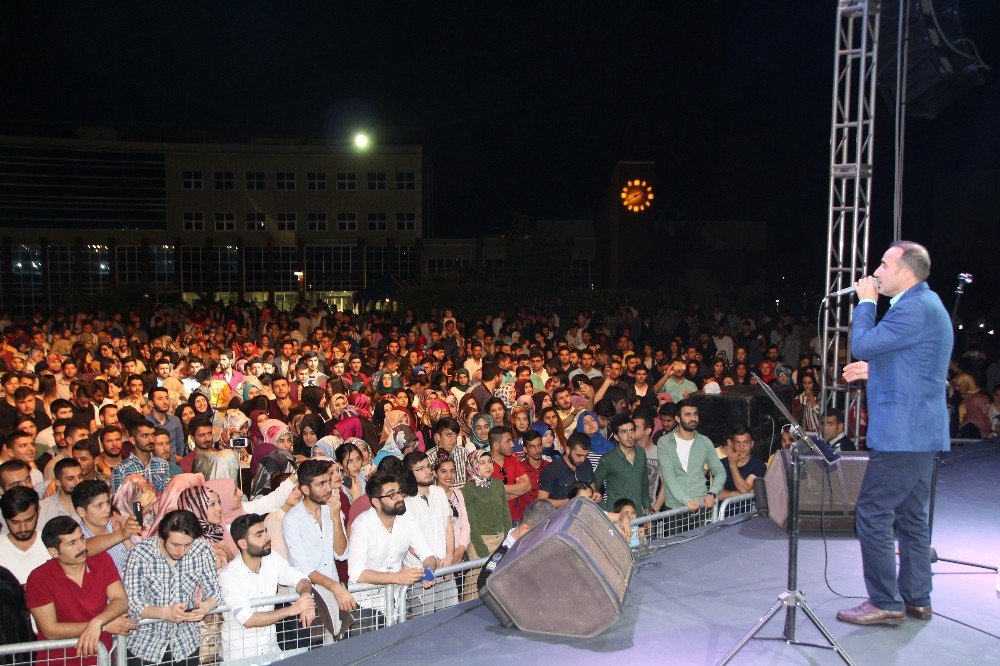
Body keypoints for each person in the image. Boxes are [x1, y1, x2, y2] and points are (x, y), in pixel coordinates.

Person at [837, 241, 952, 627]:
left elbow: (864, 343)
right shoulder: (925, 305)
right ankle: (918, 597)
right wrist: (874, 371)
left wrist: (867, 302)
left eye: (884, 265)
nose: (876, 273)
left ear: (906, 272)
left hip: (904, 434)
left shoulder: (913, 307)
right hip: (920, 432)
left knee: (872, 512)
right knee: (911, 517)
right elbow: (916, 365)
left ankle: (886, 601)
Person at [26, 516, 136, 664]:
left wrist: (97, 623)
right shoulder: (39, 577)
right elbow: (50, 630)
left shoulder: (102, 560)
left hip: (100, 659)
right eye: (72, 543)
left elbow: (121, 600)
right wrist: (104, 626)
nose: (82, 547)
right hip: (59, 661)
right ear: (54, 552)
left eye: (82, 538)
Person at [122, 509, 222, 665]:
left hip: (186, 645)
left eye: (187, 544)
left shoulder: (202, 550)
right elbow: (133, 602)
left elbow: (214, 590)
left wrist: (205, 607)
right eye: (175, 544)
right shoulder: (139, 554)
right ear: (162, 537)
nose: (181, 551)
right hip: (145, 645)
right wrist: (165, 612)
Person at [347, 469, 441, 624]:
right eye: (392, 495)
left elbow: (427, 554)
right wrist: (397, 578)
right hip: (365, 607)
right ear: (376, 502)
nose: (399, 498)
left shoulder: (408, 518)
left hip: (396, 603)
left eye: (399, 492)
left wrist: (429, 571)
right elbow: (357, 573)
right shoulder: (362, 525)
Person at [219, 513, 317, 661]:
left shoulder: (271, 559)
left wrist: (305, 597)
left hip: (271, 650)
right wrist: (292, 610)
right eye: (259, 535)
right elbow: (248, 619)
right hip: (241, 656)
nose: (267, 537)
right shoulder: (229, 576)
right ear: (242, 544)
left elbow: (300, 578)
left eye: (265, 531)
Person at [282, 459, 357, 634]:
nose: (328, 488)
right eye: (321, 484)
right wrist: (335, 587)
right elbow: (304, 569)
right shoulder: (292, 520)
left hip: (333, 592)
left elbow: (341, 553)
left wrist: (336, 519)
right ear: (305, 489)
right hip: (307, 599)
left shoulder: (330, 509)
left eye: (328, 482)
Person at [401, 451, 457, 613]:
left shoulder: (439, 492)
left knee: (451, 618)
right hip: (420, 572)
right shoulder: (405, 502)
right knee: (424, 624)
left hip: (445, 567)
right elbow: (408, 541)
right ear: (410, 474)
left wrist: (449, 557)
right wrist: (432, 561)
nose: (427, 471)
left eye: (428, 466)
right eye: (420, 469)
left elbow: (448, 527)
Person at [460, 449, 512, 602]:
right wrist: (481, 549)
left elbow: (505, 514)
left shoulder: (498, 484)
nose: (488, 466)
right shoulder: (467, 490)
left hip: (501, 540)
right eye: (482, 463)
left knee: (500, 582)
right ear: (473, 466)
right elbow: (471, 522)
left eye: (490, 461)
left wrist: (507, 540)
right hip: (480, 542)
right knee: (474, 585)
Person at [656, 400, 725, 512]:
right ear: (677, 418)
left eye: (695, 414)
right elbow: (669, 478)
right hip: (675, 507)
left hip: (701, 504)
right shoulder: (664, 442)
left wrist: (712, 493)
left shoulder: (705, 441)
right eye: (688, 414)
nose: (693, 418)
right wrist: (687, 501)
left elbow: (720, 471)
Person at [476, 498, 557, 593]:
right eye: (541, 535)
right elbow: (484, 586)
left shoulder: (527, 547)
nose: (544, 539)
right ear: (525, 531)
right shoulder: (501, 560)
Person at [72, 479, 142, 575]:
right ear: (81, 511)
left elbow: (141, 563)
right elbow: (85, 547)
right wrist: (121, 535)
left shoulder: (115, 523)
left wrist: (125, 539)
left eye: (108, 503)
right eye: (99, 506)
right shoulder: (76, 534)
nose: (107, 509)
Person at [594, 413, 651, 514]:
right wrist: (606, 511)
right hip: (617, 518)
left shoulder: (641, 453)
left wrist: (647, 509)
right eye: (624, 432)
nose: (630, 436)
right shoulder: (608, 459)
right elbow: (594, 487)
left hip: (638, 515)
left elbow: (644, 484)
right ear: (616, 437)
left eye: (631, 430)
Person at [0, 486, 50, 584]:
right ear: (5, 518)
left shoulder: (52, 543)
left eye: (29, 520)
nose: (23, 528)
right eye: (15, 522)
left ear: (38, 511)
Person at [537, 432, 598, 507]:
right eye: (579, 455)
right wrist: (570, 501)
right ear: (568, 450)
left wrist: (595, 494)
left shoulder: (587, 464)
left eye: (585, 456)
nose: (582, 460)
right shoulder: (551, 470)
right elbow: (541, 503)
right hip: (560, 516)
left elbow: (592, 487)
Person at [110, 420, 170, 494]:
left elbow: (167, 496)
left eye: (153, 435)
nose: (151, 440)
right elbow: (117, 501)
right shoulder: (121, 469)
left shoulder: (163, 464)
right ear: (133, 440)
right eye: (145, 436)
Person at [487, 425, 531, 522]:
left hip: (515, 518)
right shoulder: (484, 463)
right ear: (496, 445)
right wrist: (517, 489)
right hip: (494, 522)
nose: (512, 444)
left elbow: (527, 486)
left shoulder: (512, 460)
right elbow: (488, 496)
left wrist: (499, 488)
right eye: (508, 441)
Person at [718, 426, 767, 500]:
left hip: (749, 511)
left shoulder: (759, 465)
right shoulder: (721, 464)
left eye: (746, 443)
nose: (742, 447)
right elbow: (717, 494)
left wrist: (732, 465)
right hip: (723, 511)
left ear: (752, 444)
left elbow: (744, 489)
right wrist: (744, 493)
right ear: (731, 444)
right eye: (738, 443)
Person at [38, 457, 84, 530]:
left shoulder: (88, 503)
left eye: (80, 477)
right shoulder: (45, 506)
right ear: (58, 482)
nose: (77, 482)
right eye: (70, 479)